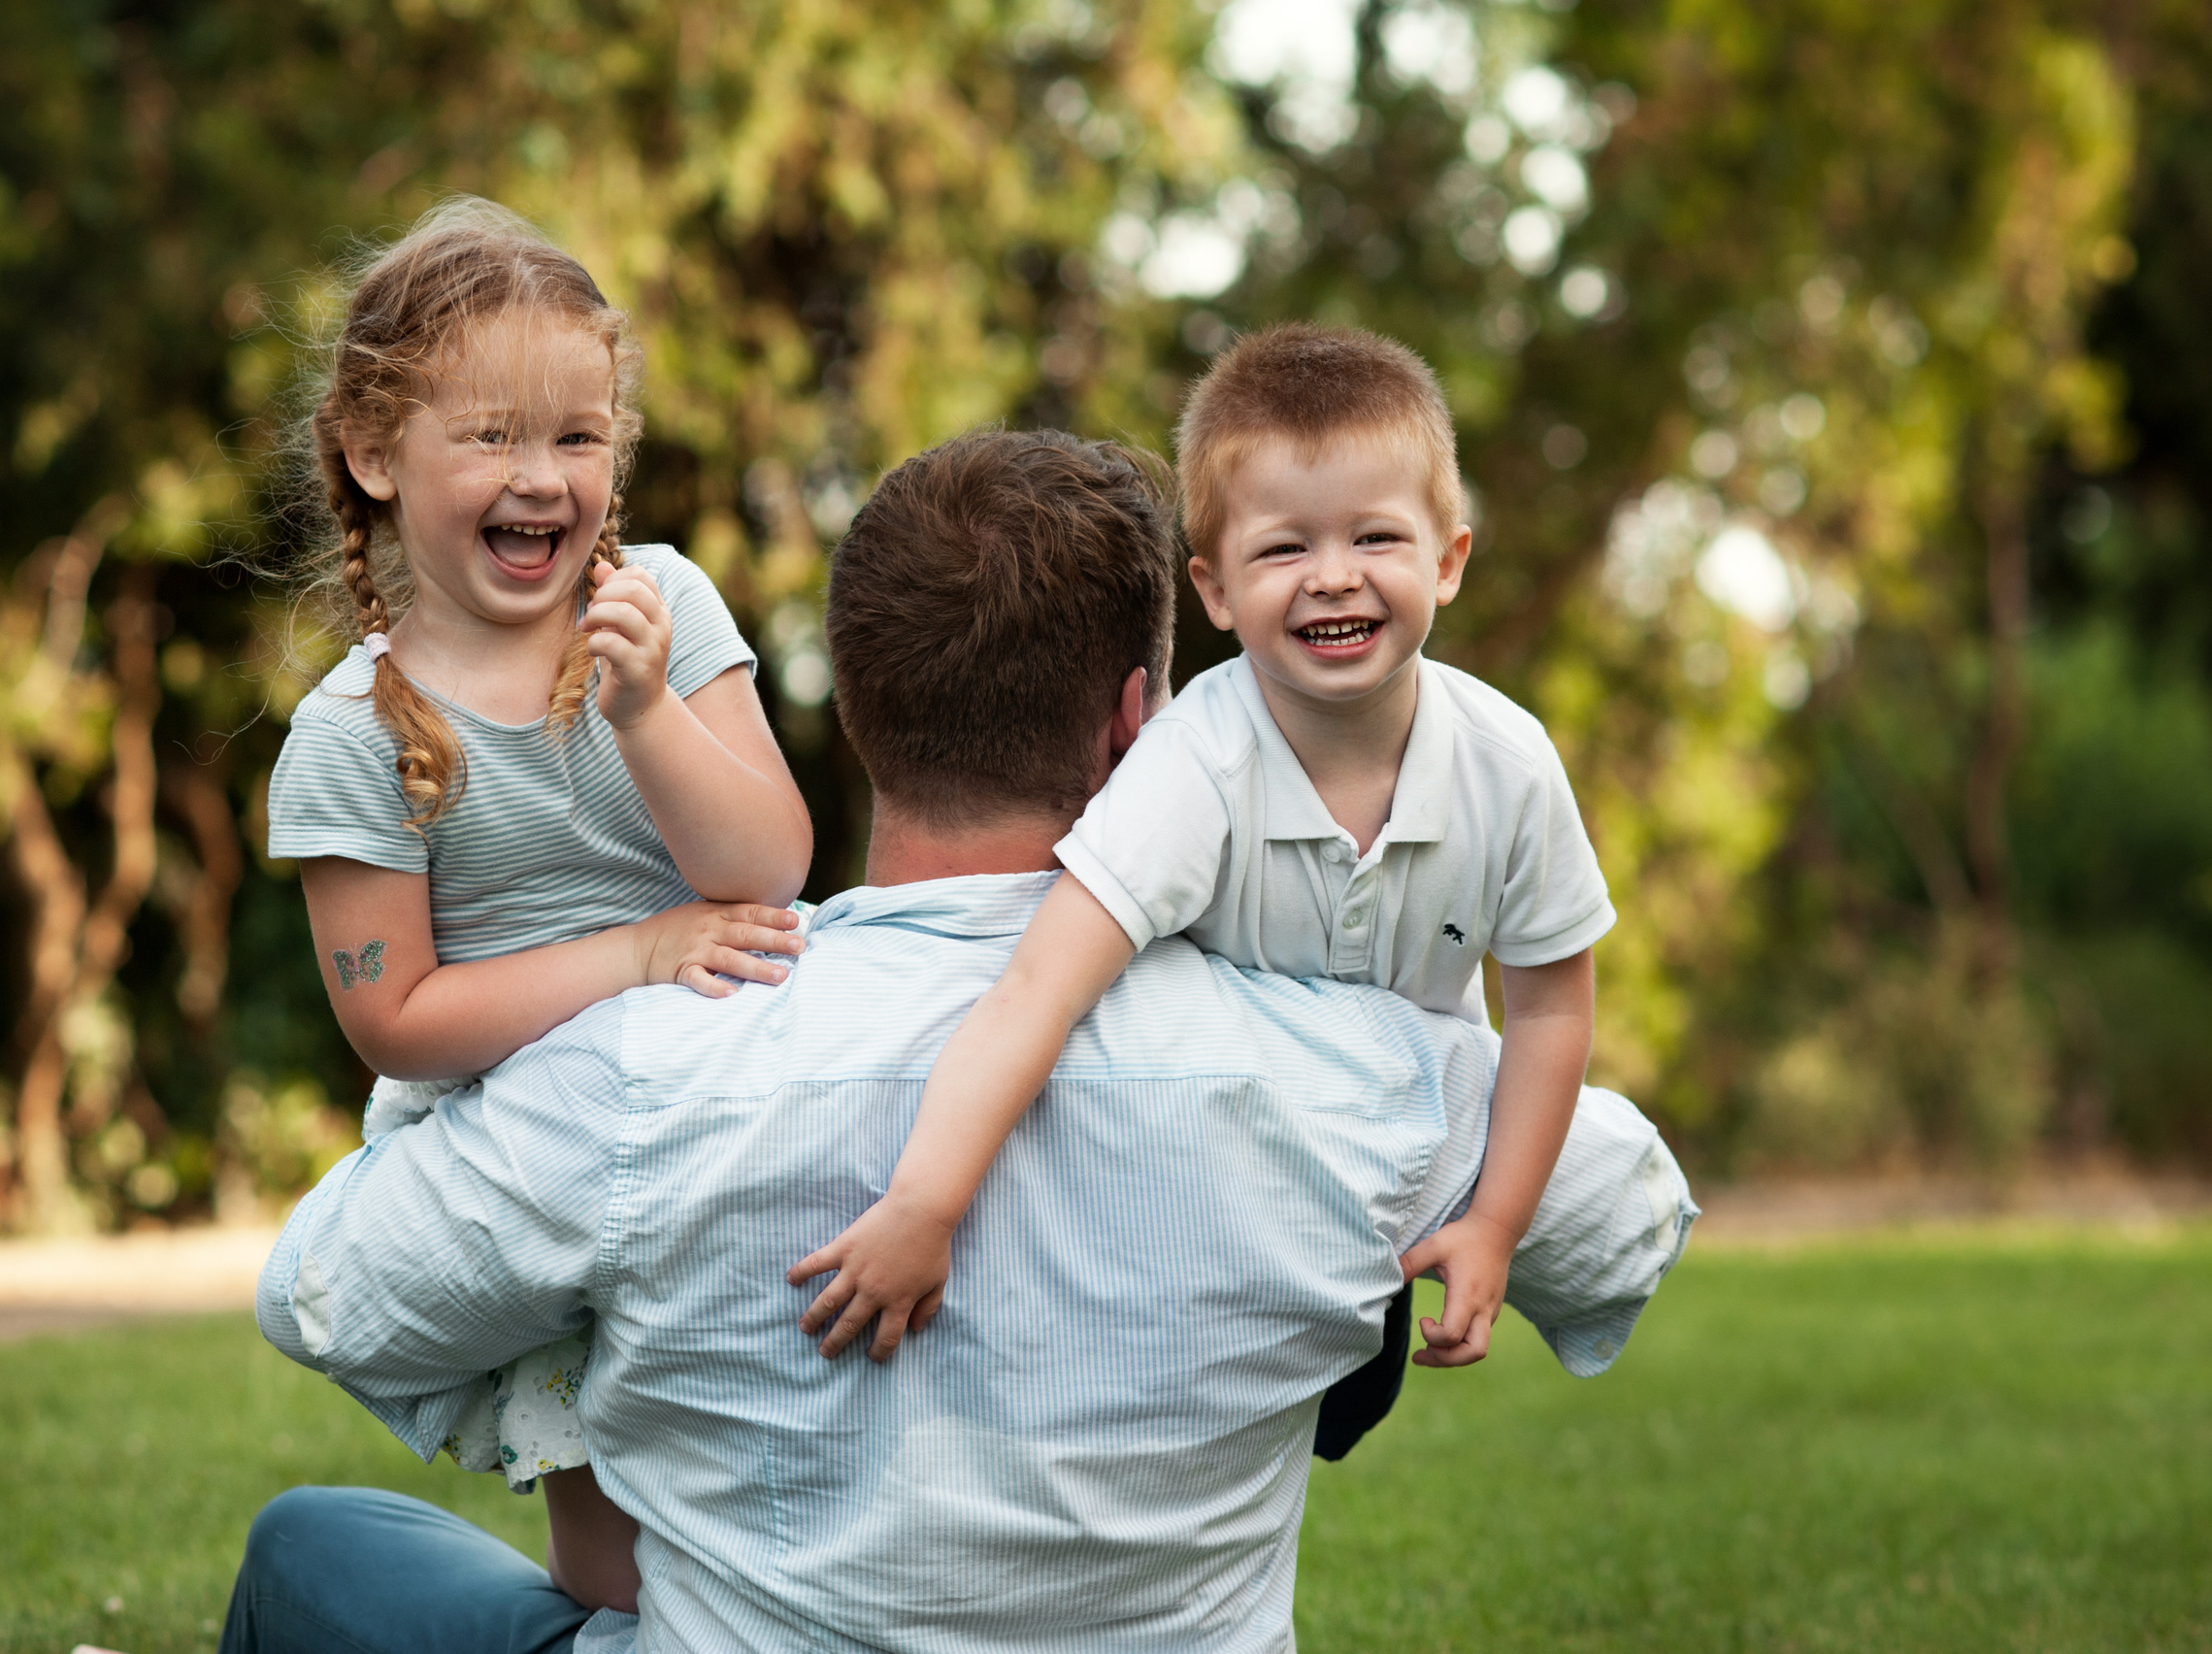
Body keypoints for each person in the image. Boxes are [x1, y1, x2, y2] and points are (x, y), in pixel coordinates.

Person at [230, 428, 1695, 1653]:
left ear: (857, 711)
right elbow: (1625, 1214)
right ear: (1142, 723)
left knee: (317, 1547)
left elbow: (329, 1300)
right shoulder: (1353, 1072)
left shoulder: (643, 1063)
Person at [794, 328, 1609, 1454]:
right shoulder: (1193, 766)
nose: (1333, 574)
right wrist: (926, 1203)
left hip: (1377, 1179)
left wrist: (1495, 1225)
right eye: (1285, 550)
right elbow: (1038, 983)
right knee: (1175, 1439)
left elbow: (1555, 1006)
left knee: (1341, 1407)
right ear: (1214, 589)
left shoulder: (1507, 766)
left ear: (1450, 559)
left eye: (1377, 536)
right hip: (1200, 1179)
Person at [263, 196, 812, 1607]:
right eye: (492, 436)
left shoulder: (664, 611)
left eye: (577, 436)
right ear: (375, 453)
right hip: (525, 1169)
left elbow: (771, 867)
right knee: (616, 1539)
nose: (543, 476)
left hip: (733, 1120)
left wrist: (644, 717)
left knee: (781, 1474)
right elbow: (396, 1015)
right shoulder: (353, 733)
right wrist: (632, 953)